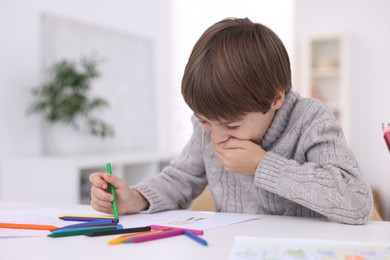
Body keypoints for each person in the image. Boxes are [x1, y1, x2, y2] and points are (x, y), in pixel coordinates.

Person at [89, 17, 373, 225]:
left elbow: (356, 201)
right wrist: (136, 198)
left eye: (232, 125)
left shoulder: (311, 118)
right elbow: (180, 178)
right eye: (204, 122)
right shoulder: (212, 124)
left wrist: (262, 165)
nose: (216, 137)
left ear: (275, 99)